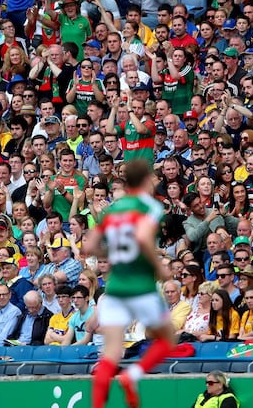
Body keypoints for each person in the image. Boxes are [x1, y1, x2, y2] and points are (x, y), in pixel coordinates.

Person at [87, 159, 174, 408]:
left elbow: (89, 246)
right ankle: (132, 376)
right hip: (142, 287)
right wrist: (160, 269)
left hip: (115, 289)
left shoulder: (112, 209)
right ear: (147, 179)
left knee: (111, 353)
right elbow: (144, 239)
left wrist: (113, 251)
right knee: (167, 339)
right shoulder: (150, 207)